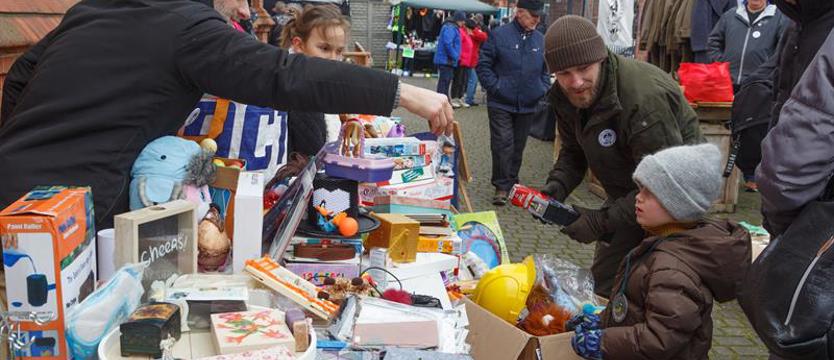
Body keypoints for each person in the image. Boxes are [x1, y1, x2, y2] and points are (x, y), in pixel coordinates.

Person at [0, 0, 454, 231]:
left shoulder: (91, 9)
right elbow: (283, 75)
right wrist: (403, 92)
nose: (241, 8)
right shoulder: (188, 27)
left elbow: (20, 75)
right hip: (72, 211)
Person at [541, 16, 703, 297]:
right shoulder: (563, 95)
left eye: (583, 68)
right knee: (603, 284)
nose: (576, 82)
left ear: (601, 58)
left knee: (660, 295)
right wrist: (558, 186)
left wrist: (598, 222)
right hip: (631, 194)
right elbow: (573, 151)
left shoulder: (642, 100)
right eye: (564, 73)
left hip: (675, 200)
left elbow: (662, 185)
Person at [570, 143, 751, 360]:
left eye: (651, 193)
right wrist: (604, 320)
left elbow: (660, 338)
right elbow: (640, 311)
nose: (638, 197)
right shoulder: (659, 243)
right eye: (640, 188)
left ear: (678, 205)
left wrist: (604, 342)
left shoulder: (672, 270)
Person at [477, 0, 550, 206]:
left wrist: (541, 89)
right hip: (501, 103)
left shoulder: (540, 40)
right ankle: (501, 186)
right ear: (519, 13)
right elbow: (483, 65)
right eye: (533, 15)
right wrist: (496, 87)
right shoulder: (499, 35)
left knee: (518, 145)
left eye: (539, 15)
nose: (537, 19)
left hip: (528, 103)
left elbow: (546, 70)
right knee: (502, 143)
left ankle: (512, 181)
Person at [280, 5, 350, 157]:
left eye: (339, 51)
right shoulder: (299, 92)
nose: (333, 58)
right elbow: (313, 155)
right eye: (324, 48)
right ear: (299, 45)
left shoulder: (315, 84)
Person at [707, 0, 788, 91]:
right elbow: (713, 42)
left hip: (759, 85)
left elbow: (782, 50)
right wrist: (721, 62)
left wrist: (766, 72)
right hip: (728, 84)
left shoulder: (780, 18)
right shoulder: (729, 15)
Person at [434, 11, 465, 99]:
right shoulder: (450, 28)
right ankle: (441, 102)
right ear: (458, 20)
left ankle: (444, 102)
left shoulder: (451, 27)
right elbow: (448, 44)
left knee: (445, 83)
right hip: (446, 60)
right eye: (462, 20)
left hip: (447, 60)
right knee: (444, 83)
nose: (463, 23)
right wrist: (455, 56)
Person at [450, 15, 473, 108]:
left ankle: (460, 97)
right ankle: (454, 97)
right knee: (458, 80)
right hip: (461, 60)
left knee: (463, 81)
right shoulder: (461, 32)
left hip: (467, 61)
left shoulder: (466, 33)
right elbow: (459, 45)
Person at [465, 19, 488, 107]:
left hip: (470, 60)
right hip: (471, 60)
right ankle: (469, 99)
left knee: (471, 80)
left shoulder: (469, 33)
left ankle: (469, 98)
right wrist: (475, 30)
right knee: (473, 80)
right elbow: (484, 36)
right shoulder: (473, 33)